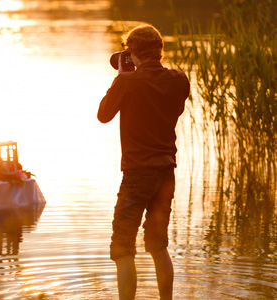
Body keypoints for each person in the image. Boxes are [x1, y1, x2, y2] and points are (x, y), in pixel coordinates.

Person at [97, 24, 190, 300]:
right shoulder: (180, 79)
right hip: (166, 174)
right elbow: (177, 108)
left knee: (123, 248)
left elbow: (103, 115)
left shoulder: (126, 81)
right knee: (158, 245)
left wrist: (122, 77)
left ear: (133, 52)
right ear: (159, 49)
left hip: (137, 174)